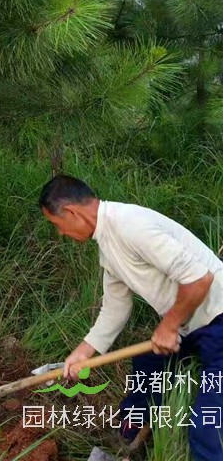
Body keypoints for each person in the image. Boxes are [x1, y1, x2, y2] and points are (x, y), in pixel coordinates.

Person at [39, 174, 223, 461]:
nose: (60, 233)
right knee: (148, 363)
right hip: (194, 326)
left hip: (219, 321)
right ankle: (129, 437)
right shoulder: (108, 246)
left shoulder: (130, 225)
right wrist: (84, 351)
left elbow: (200, 279)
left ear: (72, 212)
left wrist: (169, 325)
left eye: (56, 224)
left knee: (208, 428)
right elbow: (115, 308)